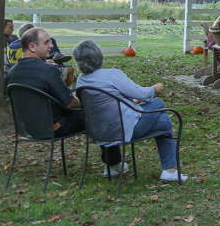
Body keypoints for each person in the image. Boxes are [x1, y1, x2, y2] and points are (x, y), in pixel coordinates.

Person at [5, 29, 124, 176]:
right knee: (100, 114)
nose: (51, 46)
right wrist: (87, 100)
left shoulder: (12, 73)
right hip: (54, 127)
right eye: (46, 42)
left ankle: (112, 163)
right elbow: (69, 103)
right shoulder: (47, 71)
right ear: (32, 47)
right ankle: (113, 164)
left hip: (28, 129)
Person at [73, 40, 186, 182]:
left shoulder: (82, 80)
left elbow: (107, 101)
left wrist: (132, 101)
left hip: (98, 131)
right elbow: (141, 93)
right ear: (99, 57)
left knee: (163, 122)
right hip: (123, 130)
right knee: (159, 103)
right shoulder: (111, 75)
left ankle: (113, 165)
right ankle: (169, 170)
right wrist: (154, 89)